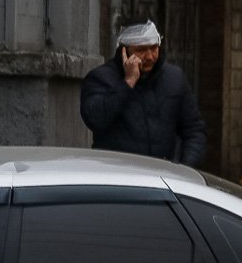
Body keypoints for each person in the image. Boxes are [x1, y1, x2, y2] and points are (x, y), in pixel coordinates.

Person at [80, 19, 207, 167]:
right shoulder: (101, 78)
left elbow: (194, 130)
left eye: (154, 48)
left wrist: (185, 167)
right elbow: (96, 119)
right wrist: (128, 82)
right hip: (118, 175)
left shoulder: (174, 78)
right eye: (141, 50)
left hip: (165, 175)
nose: (150, 56)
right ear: (124, 51)